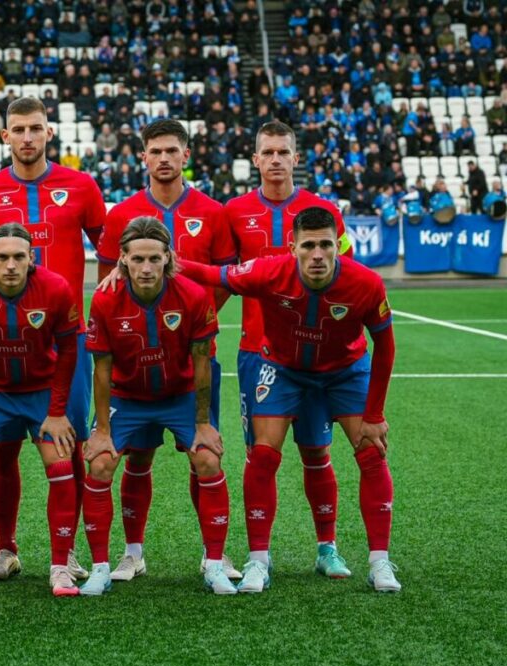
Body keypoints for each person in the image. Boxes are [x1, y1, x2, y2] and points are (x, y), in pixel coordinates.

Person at [178, 207, 401, 593]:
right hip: (281, 369)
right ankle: (258, 561)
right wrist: (170, 262)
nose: (318, 254)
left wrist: (375, 413)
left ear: (339, 246)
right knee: (262, 456)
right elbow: (215, 275)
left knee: (370, 451)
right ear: (292, 246)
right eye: (309, 245)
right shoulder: (268, 270)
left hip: (344, 371)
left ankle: (378, 562)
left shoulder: (366, 284)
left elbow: (385, 347)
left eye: (326, 245)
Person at [0, 95, 106, 582]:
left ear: (49, 133)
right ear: (5, 137)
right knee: (2, 450)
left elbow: (107, 246)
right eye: (17, 129)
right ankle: (6, 550)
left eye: (35, 128)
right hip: (0, 341)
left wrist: (102, 298)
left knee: (72, 444)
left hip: (64, 343)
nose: (26, 137)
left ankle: (70, 550)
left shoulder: (81, 186)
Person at [93, 118, 241, 582]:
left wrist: (184, 324)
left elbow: (222, 278)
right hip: (134, 367)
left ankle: (212, 555)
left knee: (204, 453)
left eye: (171, 150)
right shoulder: (121, 213)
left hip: (193, 359)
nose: (163, 158)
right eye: (154, 151)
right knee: (137, 457)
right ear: (143, 157)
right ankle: (132, 554)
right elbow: (106, 280)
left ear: (185, 155)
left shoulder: (213, 212)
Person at [221, 120, 357, 581]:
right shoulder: (234, 212)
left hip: (316, 356)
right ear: (255, 159)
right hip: (258, 354)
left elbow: (349, 275)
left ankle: (327, 549)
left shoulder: (324, 212)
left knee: (317, 452)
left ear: (296, 158)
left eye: (284, 152)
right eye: (268, 152)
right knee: (262, 455)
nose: (276, 159)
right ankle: (259, 556)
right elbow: (223, 279)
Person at [84, 217, 234, 595]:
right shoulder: (104, 298)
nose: (146, 268)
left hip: (180, 395)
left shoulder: (193, 295)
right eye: (137, 260)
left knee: (208, 459)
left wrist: (202, 422)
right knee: (102, 463)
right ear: (123, 260)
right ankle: (110, 564)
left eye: (154, 258)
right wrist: (102, 431)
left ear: (168, 257)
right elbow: (100, 370)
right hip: (128, 397)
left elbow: (203, 363)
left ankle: (214, 563)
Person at [0, 223, 82, 599]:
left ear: (31, 259)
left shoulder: (56, 288)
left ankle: (60, 566)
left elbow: (69, 351)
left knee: (60, 465)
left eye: (18, 257)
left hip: (42, 392)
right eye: (2, 257)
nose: (10, 265)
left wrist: (57, 412)